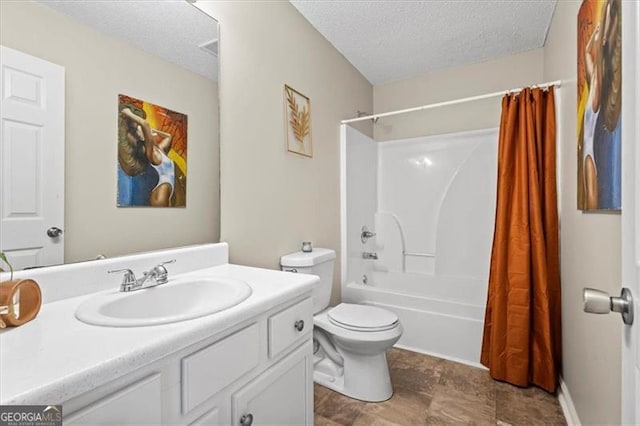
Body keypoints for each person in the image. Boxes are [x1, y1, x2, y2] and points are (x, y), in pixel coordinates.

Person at [120, 107, 175, 207]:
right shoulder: (151, 152)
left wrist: (151, 130)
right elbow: (145, 124)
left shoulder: (160, 149)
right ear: (143, 138)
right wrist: (128, 113)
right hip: (159, 195)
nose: (149, 131)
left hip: (166, 191)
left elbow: (168, 136)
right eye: (143, 130)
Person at [582, 18, 604, 210]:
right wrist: (595, 35)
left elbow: (592, 56)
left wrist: (600, 38)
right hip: (587, 151)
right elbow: (586, 53)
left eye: (598, 35)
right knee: (590, 195)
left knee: (591, 198)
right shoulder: (593, 84)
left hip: (590, 153)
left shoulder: (598, 84)